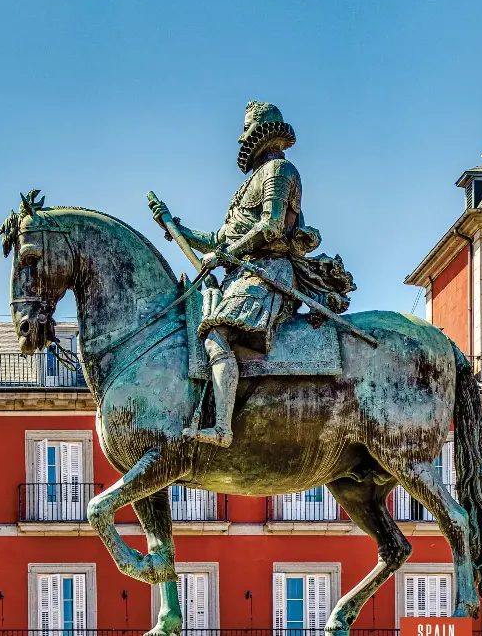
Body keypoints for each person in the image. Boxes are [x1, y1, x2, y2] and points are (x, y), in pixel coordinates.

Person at [151, 101, 354, 448]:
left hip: (267, 273)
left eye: (246, 129)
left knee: (216, 332)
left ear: (259, 134)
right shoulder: (247, 185)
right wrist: (175, 227)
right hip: (242, 274)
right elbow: (218, 239)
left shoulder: (280, 171)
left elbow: (271, 227)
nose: (240, 138)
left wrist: (226, 254)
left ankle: (222, 428)